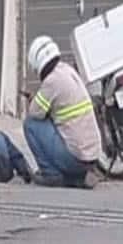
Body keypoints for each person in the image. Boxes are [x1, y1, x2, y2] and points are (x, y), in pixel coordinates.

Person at [24, 35, 101, 189]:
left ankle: (50, 174)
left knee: (30, 125)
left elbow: (35, 113)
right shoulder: (67, 70)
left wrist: (32, 100)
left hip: (76, 158)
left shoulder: (51, 81)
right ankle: (76, 179)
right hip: (92, 157)